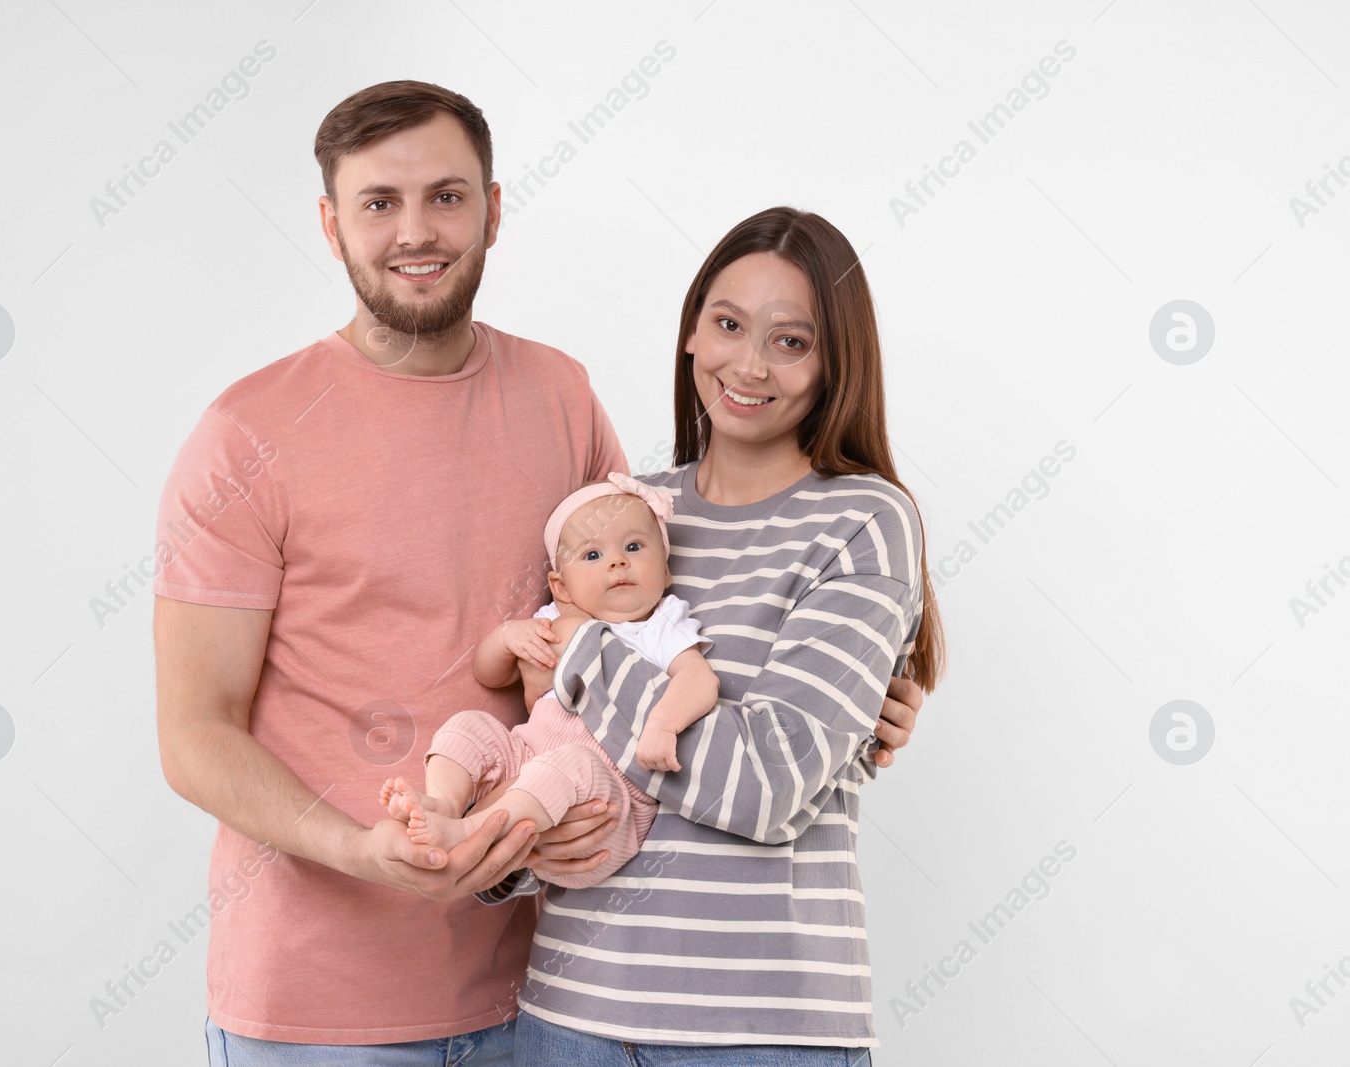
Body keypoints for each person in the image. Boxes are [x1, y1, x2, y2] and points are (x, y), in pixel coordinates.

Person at [152, 79, 925, 1066]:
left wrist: (852, 724)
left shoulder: (561, 400)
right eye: (377, 201)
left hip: (532, 990)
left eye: (446, 194)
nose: (414, 230)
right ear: (328, 221)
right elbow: (192, 732)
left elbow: (625, 626)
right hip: (323, 1004)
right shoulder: (243, 434)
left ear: (493, 207)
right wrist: (363, 846)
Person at [509, 206, 947, 1064]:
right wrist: (515, 851)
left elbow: (765, 785)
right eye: (728, 324)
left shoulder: (862, 519)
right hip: (567, 1017)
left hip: (757, 1034)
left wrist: (587, 655)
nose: (748, 365)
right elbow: (546, 741)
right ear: (690, 333)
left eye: (791, 341)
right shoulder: (623, 514)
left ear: (836, 362)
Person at [380, 473, 718, 888]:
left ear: (665, 573)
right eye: (592, 555)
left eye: (634, 547)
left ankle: (470, 833)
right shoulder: (550, 623)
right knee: (470, 725)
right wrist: (507, 637)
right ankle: (445, 804)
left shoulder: (659, 623)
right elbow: (489, 673)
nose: (617, 562)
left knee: (569, 765)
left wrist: (664, 725)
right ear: (561, 588)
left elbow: (698, 678)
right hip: (527, 766)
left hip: (606, 807)